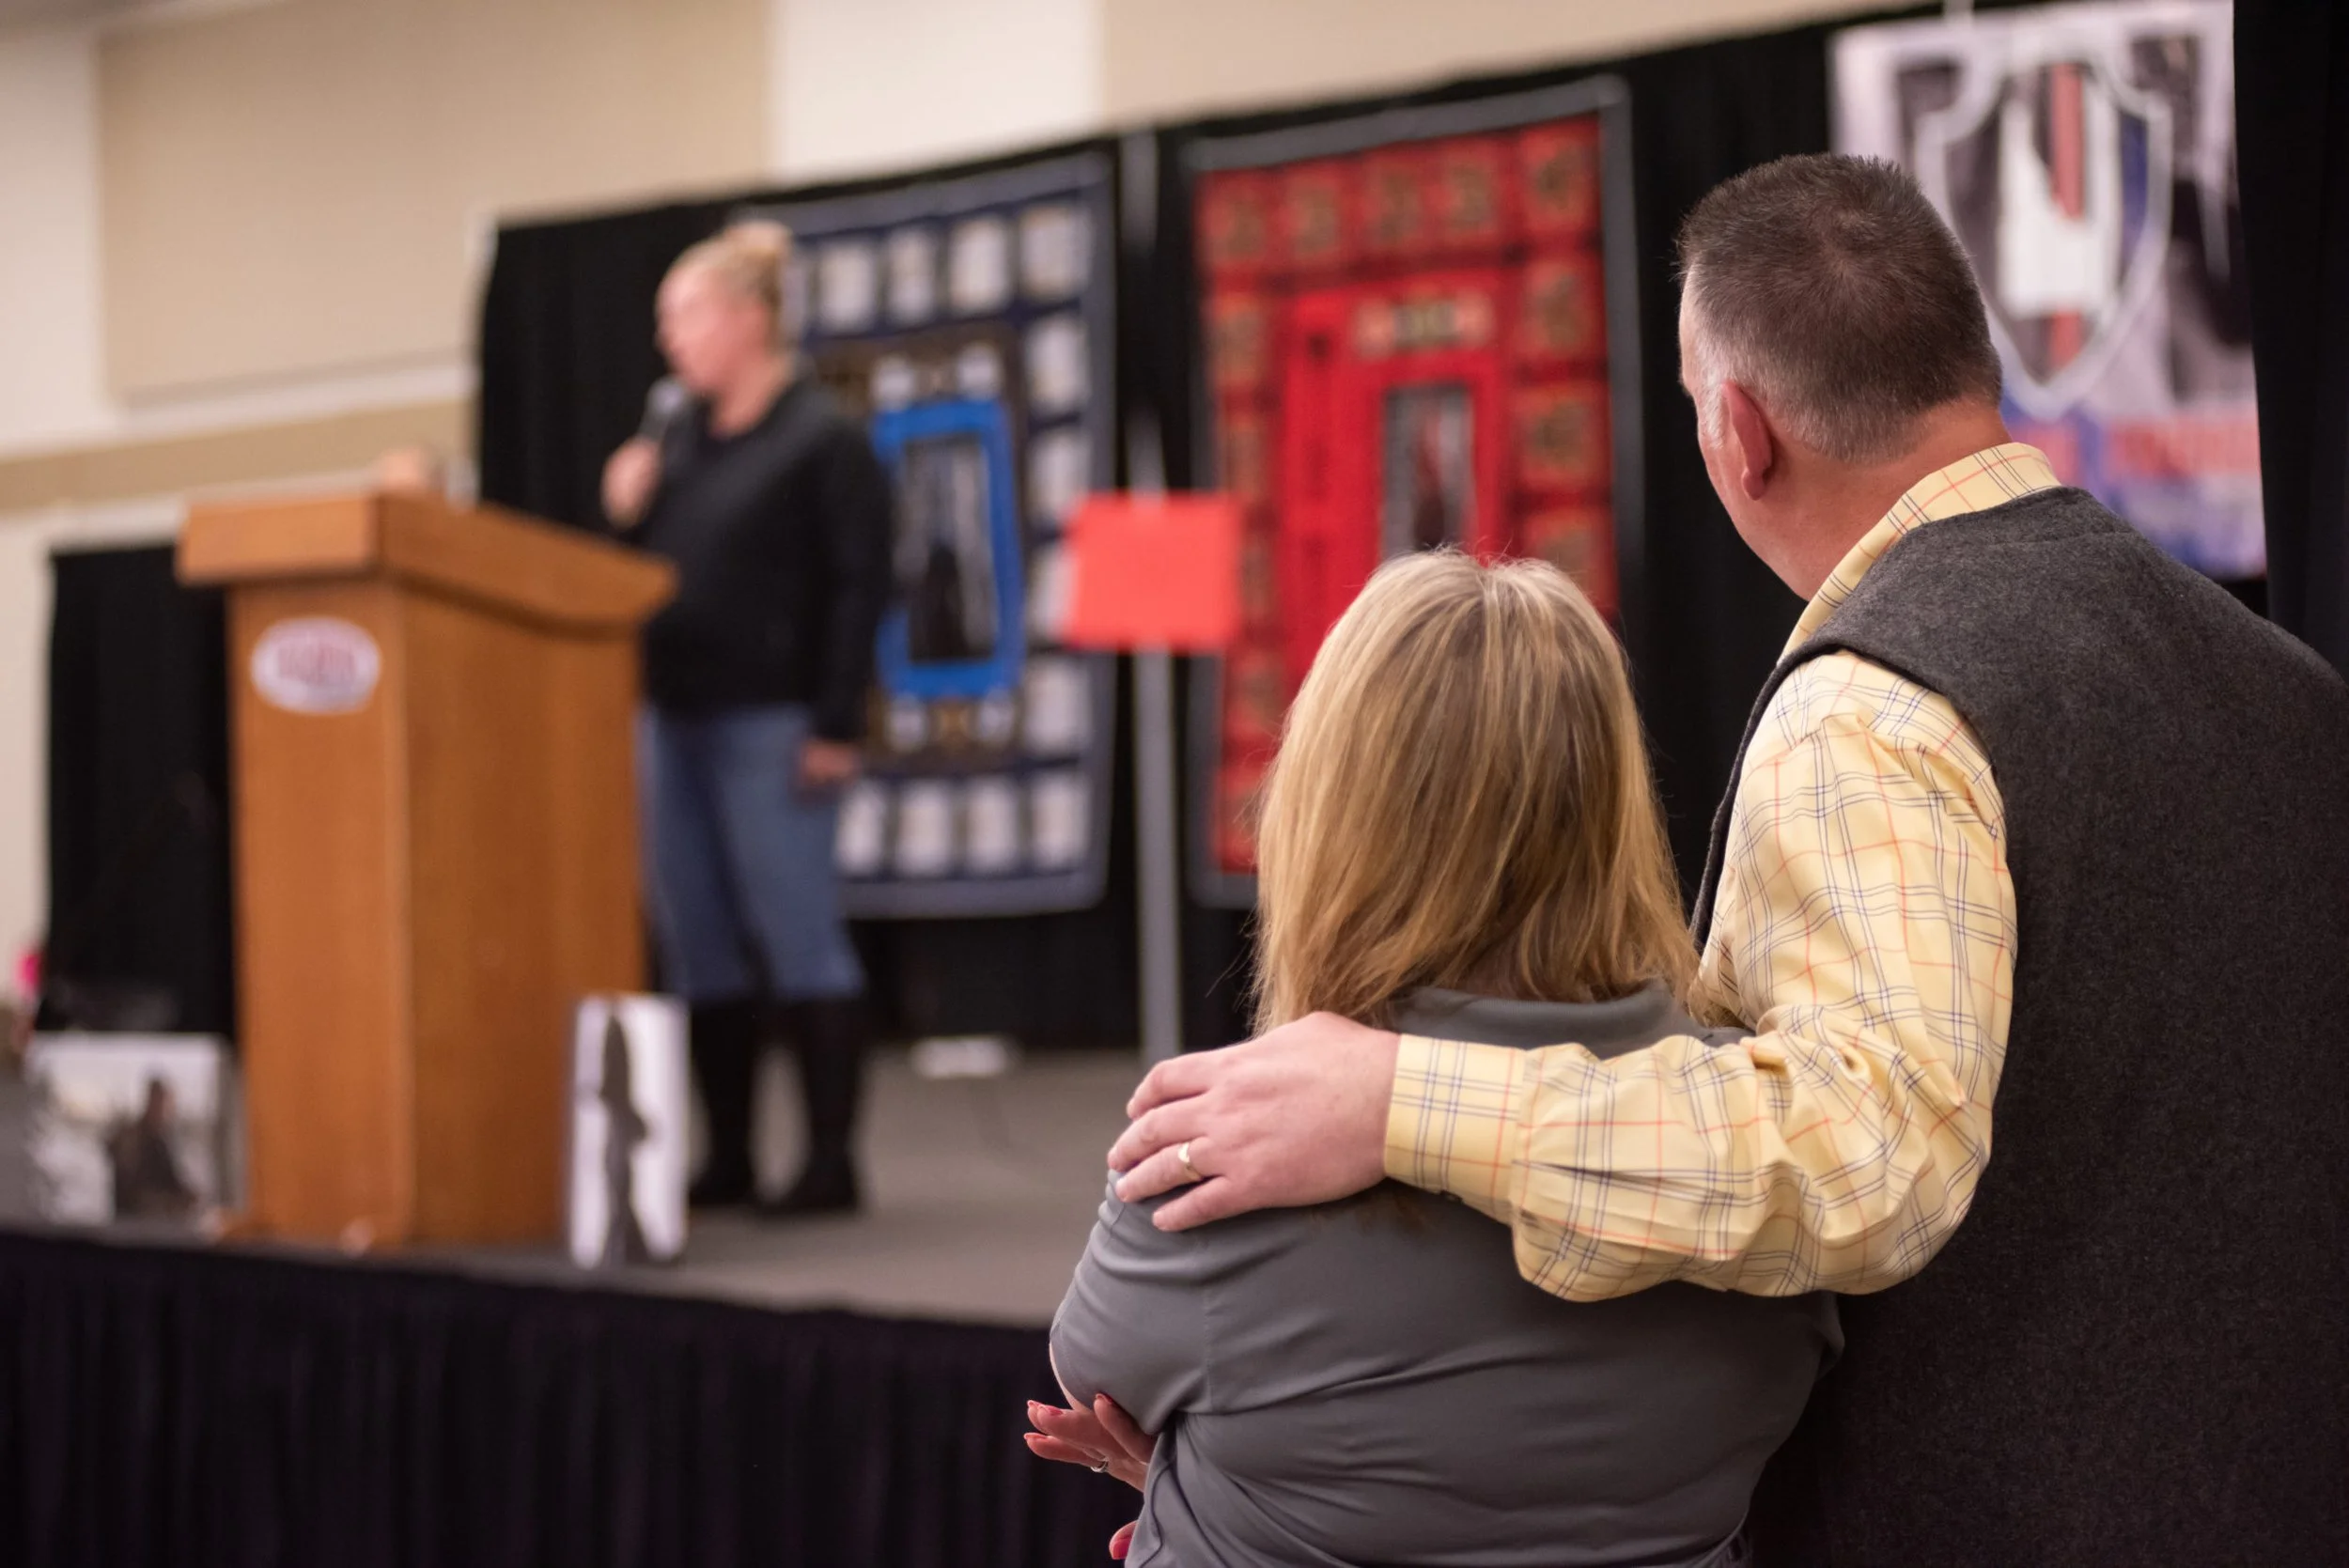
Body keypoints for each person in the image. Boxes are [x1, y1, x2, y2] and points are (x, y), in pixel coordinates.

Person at [1095, 154, 2349, 1564]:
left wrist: (1400, 1099)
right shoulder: (2285, 683)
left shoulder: (1874, 705)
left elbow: (1862, 1155)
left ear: (1738, 433)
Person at [1036, 552, 1839, 1567]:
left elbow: (1093, 1379)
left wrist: (1222, 1494)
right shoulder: (1753, 1140)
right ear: (1613, 807)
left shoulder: (1221, 1159)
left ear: (1328, 816)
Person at [602, 220, 893, 1218]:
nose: (669, 340)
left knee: (797, 937)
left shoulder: (822, 439)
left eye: (683, 315)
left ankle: (827, 1161)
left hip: (774, 724)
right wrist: (626, 502)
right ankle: (727, 1155)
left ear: (749, 318)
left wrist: (834, 721)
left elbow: (860, 586)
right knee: (698, 944)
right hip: (671, 718)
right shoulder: (674, 440)